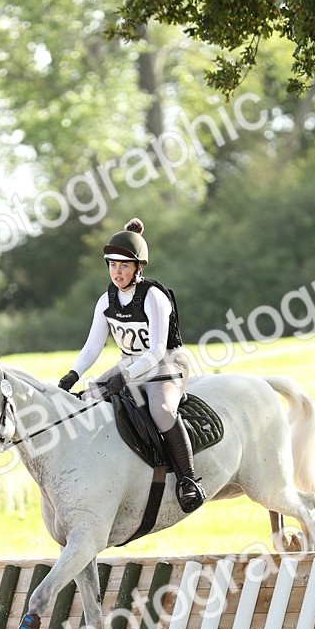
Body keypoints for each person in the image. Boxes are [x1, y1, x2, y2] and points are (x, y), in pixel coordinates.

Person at [58, 218, 206, 513]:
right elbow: (92, 347)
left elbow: (154, 352)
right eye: (112, 265)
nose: (117, 272)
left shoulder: (154, 297)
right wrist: (73, 374)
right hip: (129, 363)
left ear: (139, 267)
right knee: (87, 400)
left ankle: (189, 481)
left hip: (166, 362)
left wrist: (124, 378)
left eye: (124, 265)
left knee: (161, 411)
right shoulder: (106, 301)